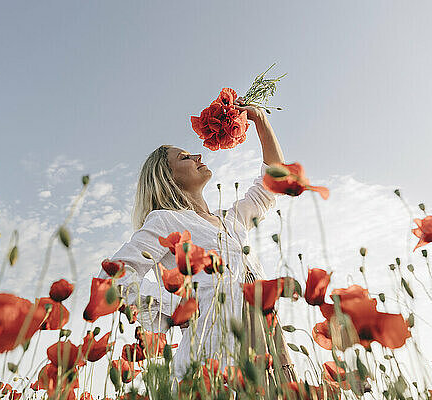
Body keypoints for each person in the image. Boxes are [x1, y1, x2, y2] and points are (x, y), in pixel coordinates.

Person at [97, 101, 296, 390]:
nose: (198, 156)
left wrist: (261, 123)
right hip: (214, 355)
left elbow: (272, 183)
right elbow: (111, 279)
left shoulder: (231, 221)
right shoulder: (165, 221)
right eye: (185, 157)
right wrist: (179, 303)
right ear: (168, 178)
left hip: (265, 339)